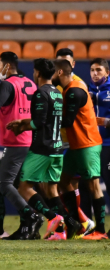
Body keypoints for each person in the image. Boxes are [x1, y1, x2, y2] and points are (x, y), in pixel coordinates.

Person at [6, 58, 66, 240]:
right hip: (57, 148)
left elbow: (39, 122)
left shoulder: (40, 93)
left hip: (42, 149)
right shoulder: (57, 93)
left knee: (23, 187)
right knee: (52, 190)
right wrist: (23, 122)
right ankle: (61, 232)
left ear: (38, 73)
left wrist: (22, 126)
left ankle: (53, 217)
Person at [54, 59, 106, 240]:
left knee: (93, 187)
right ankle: (77, 223)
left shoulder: (74, 91)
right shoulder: (71, 89)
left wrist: (42, 121)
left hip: (87, 144)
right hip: (77, 146)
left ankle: (100, 230)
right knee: (62, 180)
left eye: (53, 73)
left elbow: (67, 121)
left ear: (59, 73)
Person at [0, 52, 40, 240]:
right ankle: (29, 228)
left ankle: (32, 216)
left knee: (4, 183)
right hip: (30, 138)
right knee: (23, 185)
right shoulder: (30, 82)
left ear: (7, 66)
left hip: (16, 140)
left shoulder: (7, 84)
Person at [90, 60, 110, 235]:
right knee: (91, 185)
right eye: (92, 70)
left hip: (108, 145)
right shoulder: (87, 90)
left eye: (99, 70)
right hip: (91, 145)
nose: (95, 73)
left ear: (107, 73)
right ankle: (97, 228)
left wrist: (105, 122)